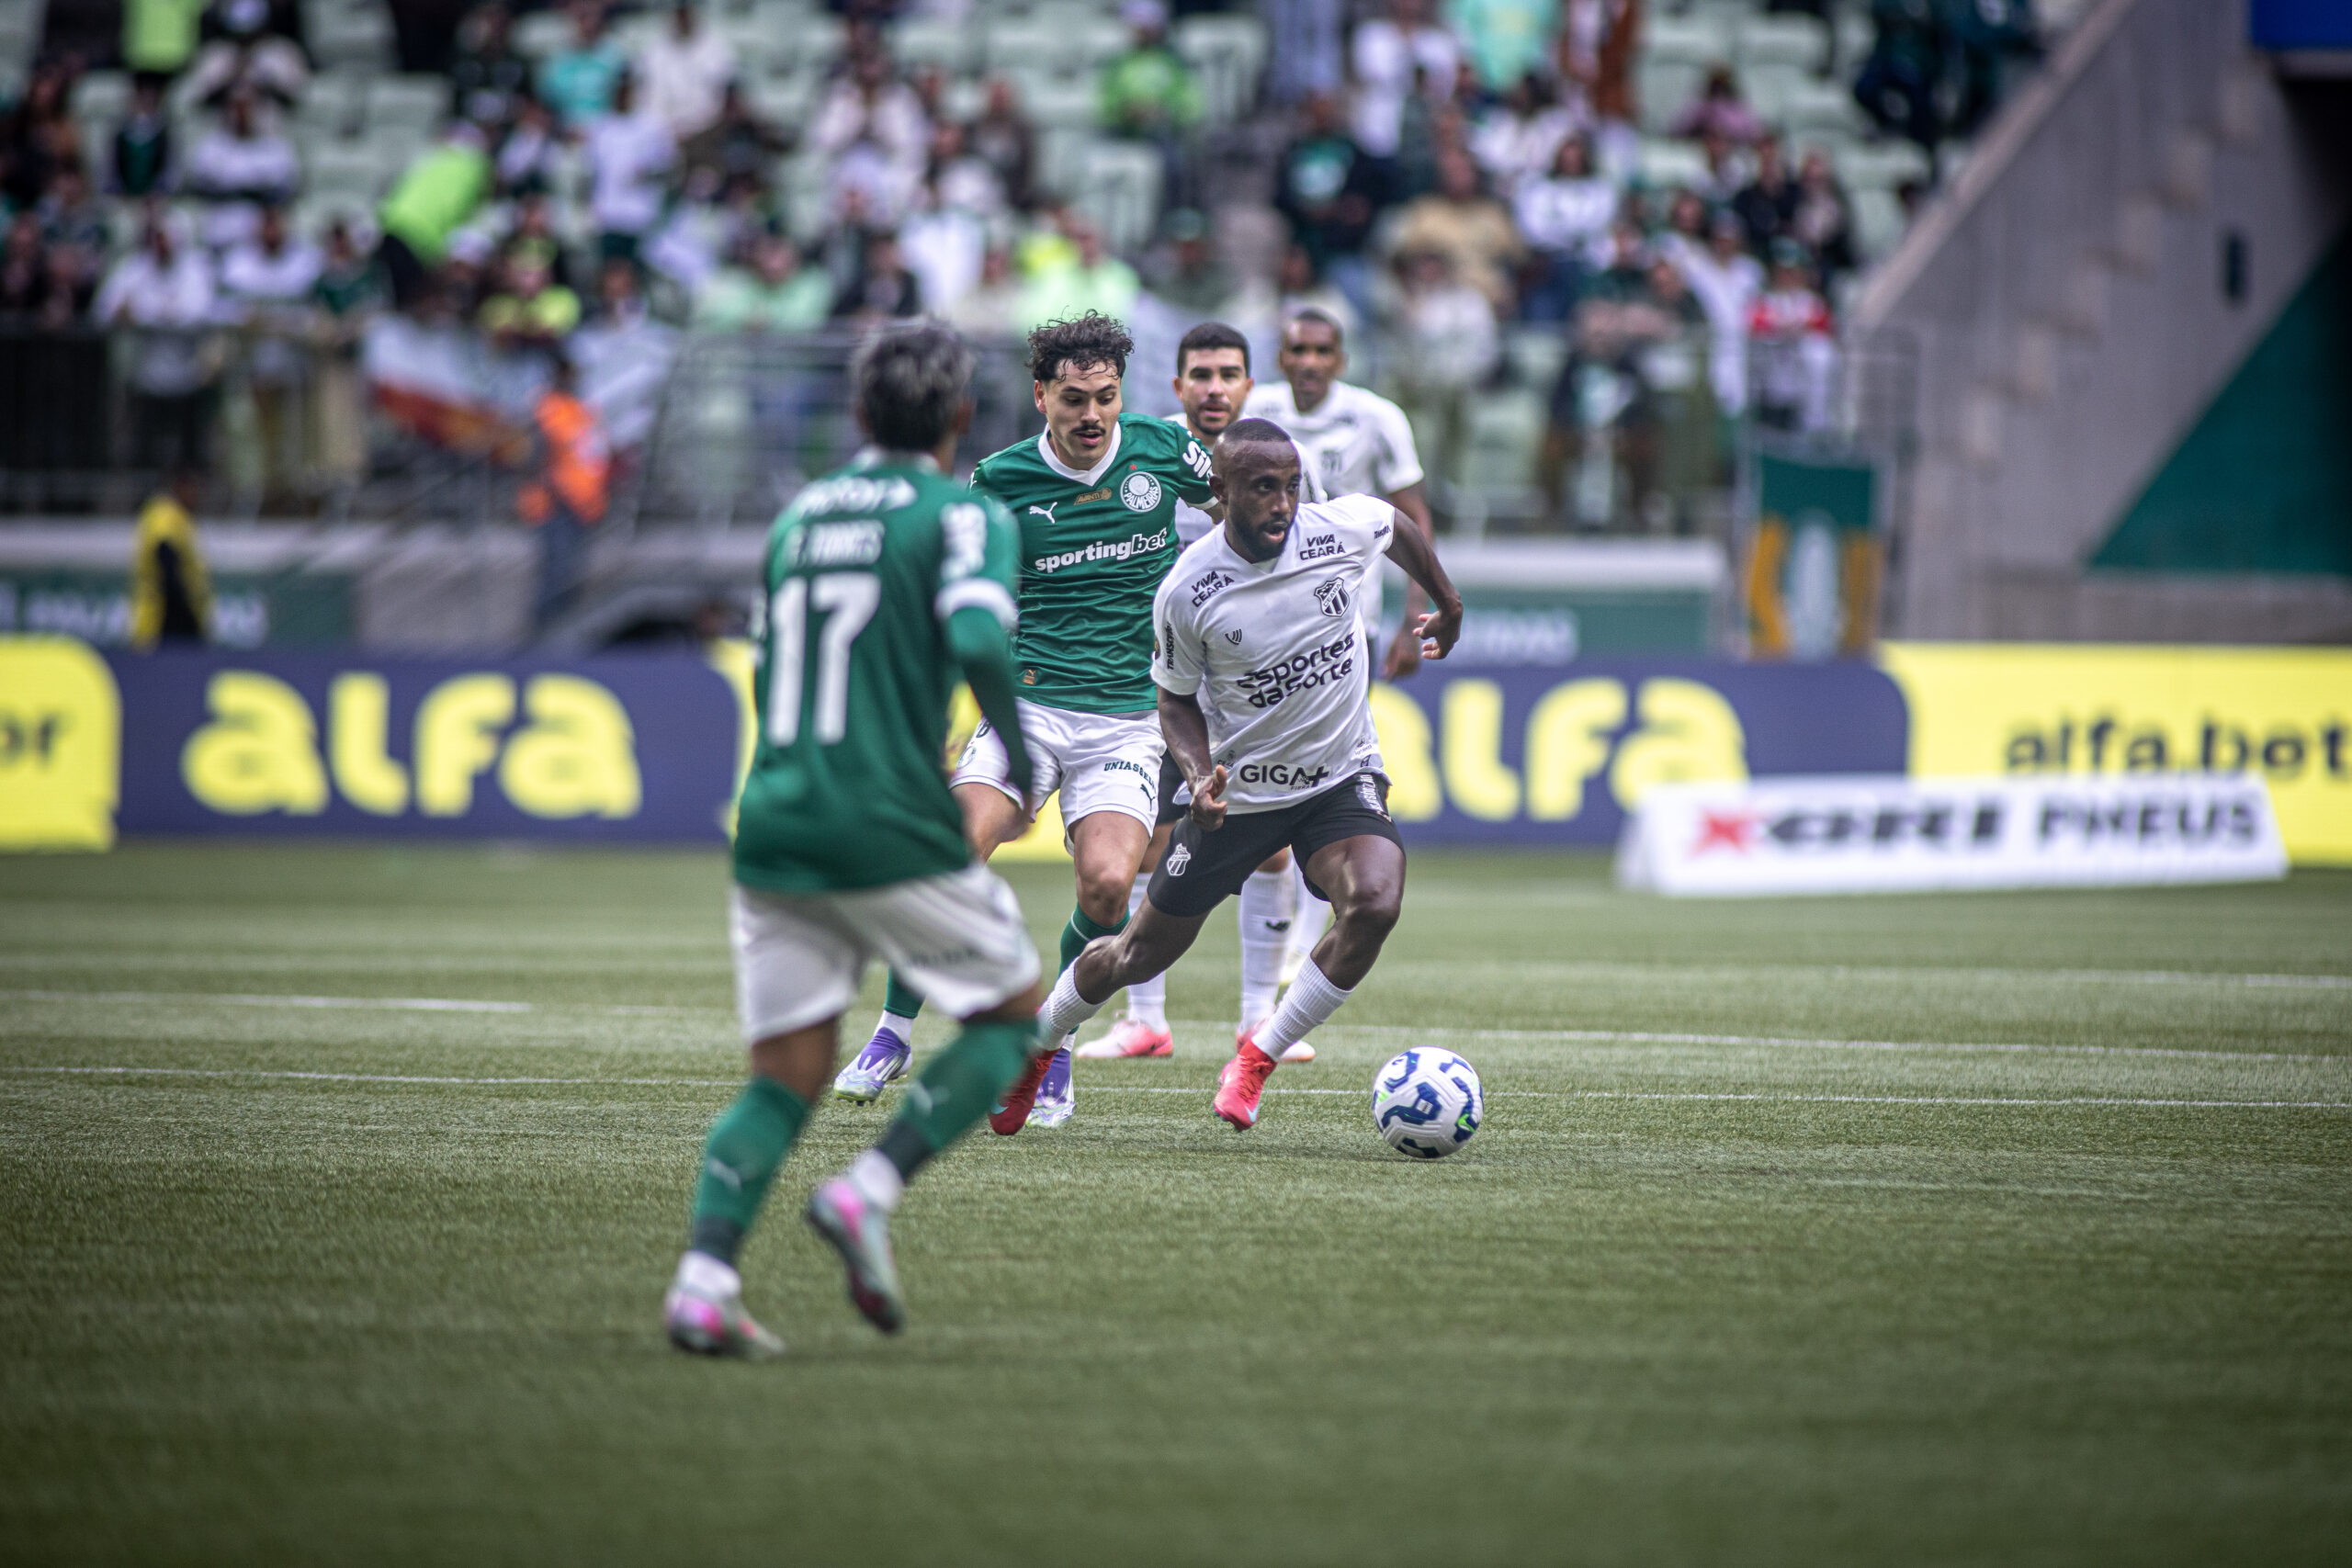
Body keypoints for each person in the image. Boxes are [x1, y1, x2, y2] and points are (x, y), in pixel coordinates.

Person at [661, 321, 1047, 1358]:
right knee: (1015, 1011)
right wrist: (1016, 749)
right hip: (881, 818)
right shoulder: (962, 514)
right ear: (961, 419)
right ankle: (868, 1190)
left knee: (782, 1074)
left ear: (858, 415)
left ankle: (704, 1281)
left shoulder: (799, 517)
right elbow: (973, 635)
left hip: (776, 817)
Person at [833, 313, 1216, 1131]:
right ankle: (893, 1031)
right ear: (1041, 395)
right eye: (1073, 398)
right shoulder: (999, 480)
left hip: (1126, 720)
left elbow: (1239, 501)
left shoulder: (1162, 450)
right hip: (1029, 707)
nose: (1091, 416)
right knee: (952, 848)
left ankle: (1054, 1041)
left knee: (1111, 882)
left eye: (1106, 398)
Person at [1033, 418, 1463, 1130]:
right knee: (1135, 954)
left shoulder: (1338, 528)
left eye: (1291, 486)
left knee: (1375, 903)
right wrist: (1200, 777)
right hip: (1245, 797)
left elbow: (1398, 525)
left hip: (1338, 777)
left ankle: (1256, 1059)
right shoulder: (1188, 589)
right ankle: (1038, 1042)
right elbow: (1172, 696)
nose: (1283, 504)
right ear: (1220, 489)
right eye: (1263, 488)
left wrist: (1446, 603)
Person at [1073, 321, 1316, 1064]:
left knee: (1269, 846)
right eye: (1201, 375)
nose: (1215, 388)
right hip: (1160, 681)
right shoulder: (1145, 455)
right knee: (1146, 840)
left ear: (1249, 385)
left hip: (1249, 685)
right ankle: (1145, 1020)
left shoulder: (1277, 459)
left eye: (1228, 374)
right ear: (1177, 386)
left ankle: (1254, 1018)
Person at [1240, 307, 1435, 986]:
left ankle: (1294, 945)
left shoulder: (1377, 417)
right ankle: (1271, 925)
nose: (1312, 361)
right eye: (1299, 349)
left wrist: (1418, 609)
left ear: (1341, 359)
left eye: (1324, 350)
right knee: (1270, 782)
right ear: (1282, 355)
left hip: (1348, 629)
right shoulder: (1252, 407)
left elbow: (1410, 513)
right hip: (1258, 631)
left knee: (1318, 777)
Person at [129, 469, 212, 649]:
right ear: (180, 489)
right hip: (161, 621)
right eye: (192, 490)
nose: (196, 497)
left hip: (171, 618)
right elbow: (165, 561)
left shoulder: (180, 518)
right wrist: (185, 614)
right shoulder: (165, 515)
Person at [638, 3, 737, 141]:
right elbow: (645, 98)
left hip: (707, 130)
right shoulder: (653, 51)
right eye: (679, 14)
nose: (682, 20)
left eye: (685, 13)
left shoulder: (717, 48)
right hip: (662, 133)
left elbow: (727, 93)